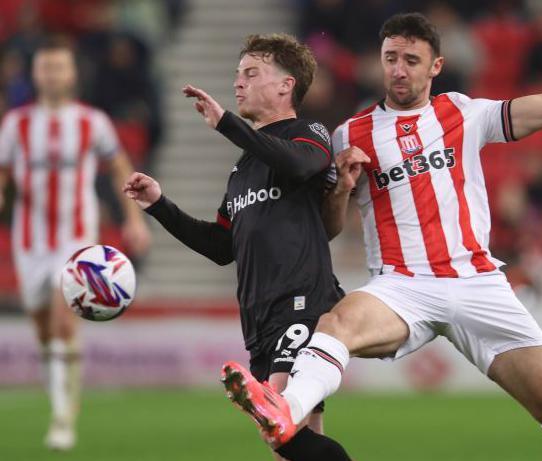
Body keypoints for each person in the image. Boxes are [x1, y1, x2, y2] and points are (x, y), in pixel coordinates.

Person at [229, 13, 542, 460]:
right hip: (401, 285)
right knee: (335, 325)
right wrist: (343, 188)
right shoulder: (351, 133)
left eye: (410, 59)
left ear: (436, 66)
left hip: (475, 280)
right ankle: (285, 410)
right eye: (390, 59)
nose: (398, 70)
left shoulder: (464, 113)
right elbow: (327, 229)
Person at [123, 33, 351, 461]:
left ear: (286, 85)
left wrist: (230, 124)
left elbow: (302, 165)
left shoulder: (309, 132)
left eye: (252, 73)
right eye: (237, 74)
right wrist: (159, 205)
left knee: (280, 418)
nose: (238, 82)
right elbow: (221, 245)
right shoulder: (243, 168)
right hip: (260, 316)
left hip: (301, 302)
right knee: (291, 445)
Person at [0, 38, 151, 450]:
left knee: (63, 317)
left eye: (59, 68)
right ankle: (62, 399)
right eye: (46, 68)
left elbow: (119, 164)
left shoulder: (92, 122)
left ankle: (64, 417)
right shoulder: (16, 124)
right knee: (44, 330)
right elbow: (3, 172)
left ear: (72, 74)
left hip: (75, 236)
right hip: (30, 239)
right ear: (36, 74)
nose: (52, 75)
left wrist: (133, 219)